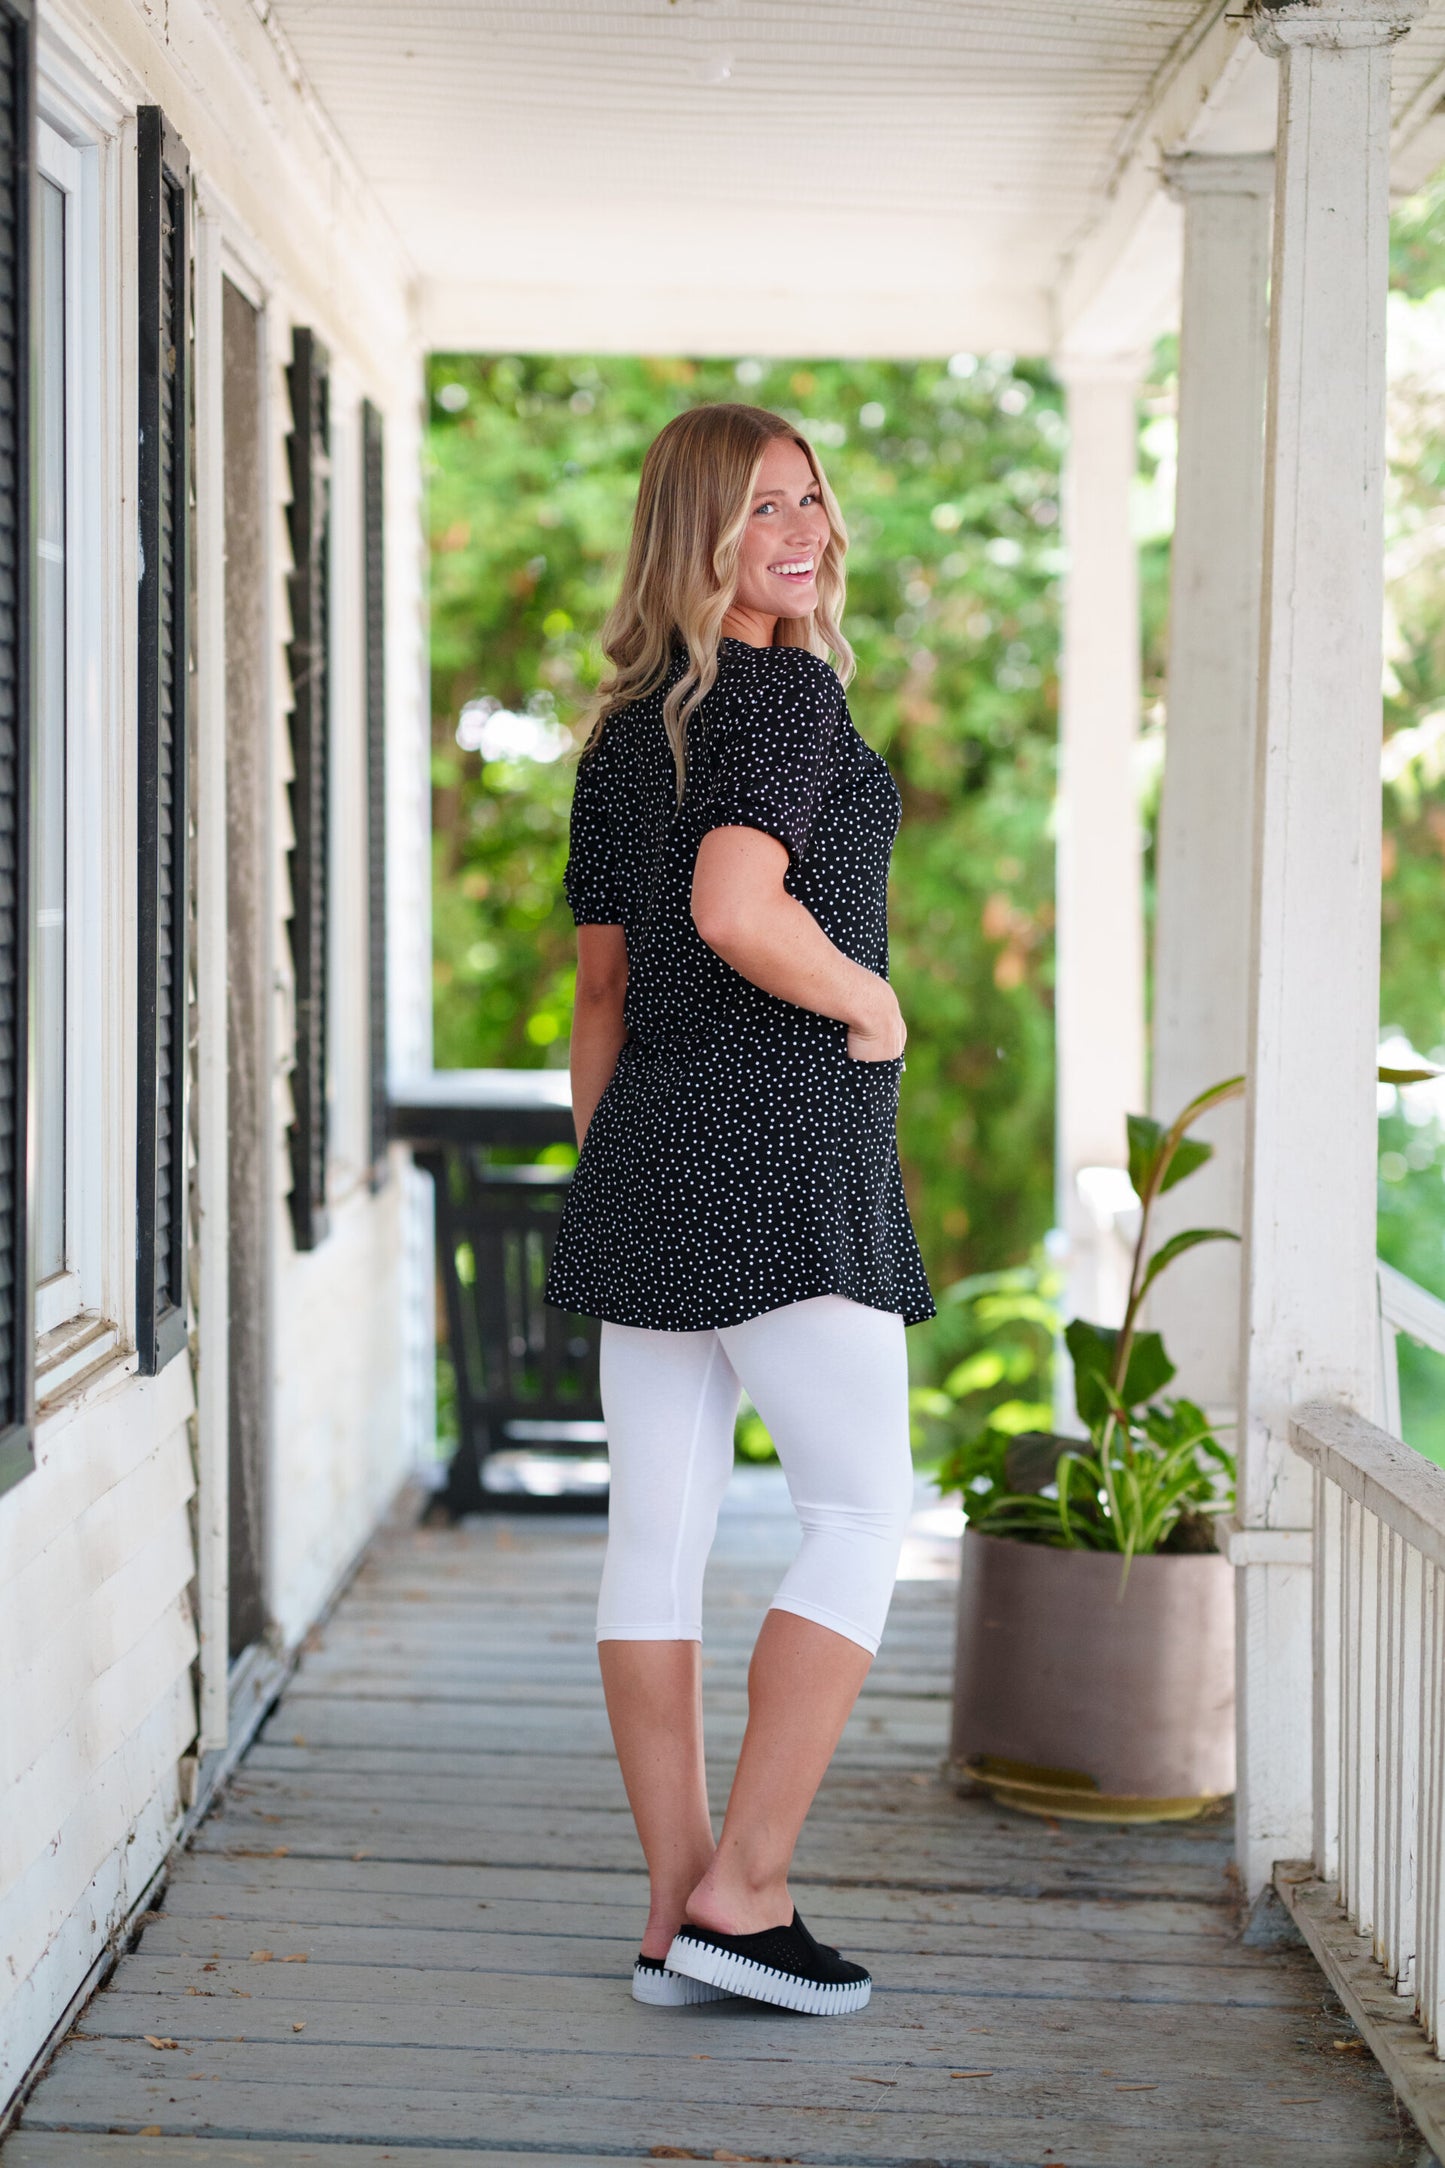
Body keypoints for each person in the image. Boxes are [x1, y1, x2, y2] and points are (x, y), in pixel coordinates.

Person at [542, 402, 935, 2018]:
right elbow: (731, 905)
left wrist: (622, 1165)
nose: (805, 529)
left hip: (647, 1162)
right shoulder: (777, 696)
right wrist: (873, 1003)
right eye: (761, 505)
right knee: (858, 1519)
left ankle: (671, 1915)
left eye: (811, 497)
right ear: (696, 532)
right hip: (782, 1156)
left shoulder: (626, 731)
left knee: (660, 1540)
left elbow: (602, 998)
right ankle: (748, 1893)